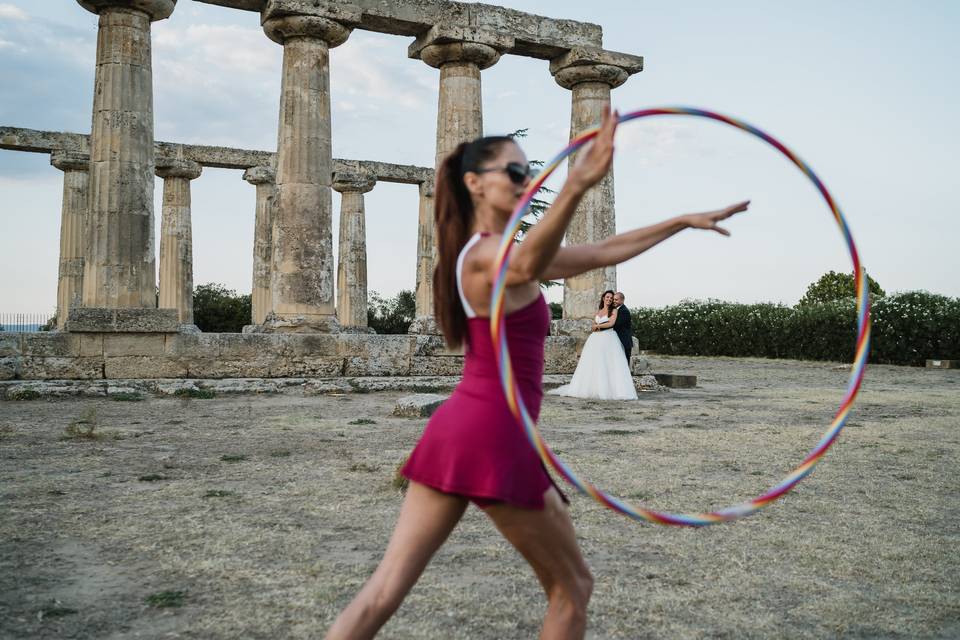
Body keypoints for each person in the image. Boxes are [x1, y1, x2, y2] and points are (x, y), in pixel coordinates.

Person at [325, 107, 749, 639]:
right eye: (517, 172)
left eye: (530, 172)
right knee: (572, 588)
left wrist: (681, 221)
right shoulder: (482, 258)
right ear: (475, 183)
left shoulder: (502, 253)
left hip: (458, 431)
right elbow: (525, 267)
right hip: (496, 435)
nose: (528, 181)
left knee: (385, 590)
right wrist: (575, 185)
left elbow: (604, 250)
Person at [548, 290, 638, 400]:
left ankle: (610, 389)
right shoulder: (599, 310)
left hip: (608, 338)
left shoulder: (614, 310)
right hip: (595, 339)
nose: (609, 299)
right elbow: (594, 323)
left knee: (608, 363)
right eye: (608, 297)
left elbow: (611, 323)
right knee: (594, 363)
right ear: (603, 298)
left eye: (611, 298)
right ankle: (593, 387)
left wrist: (598, 326)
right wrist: (595, 326)